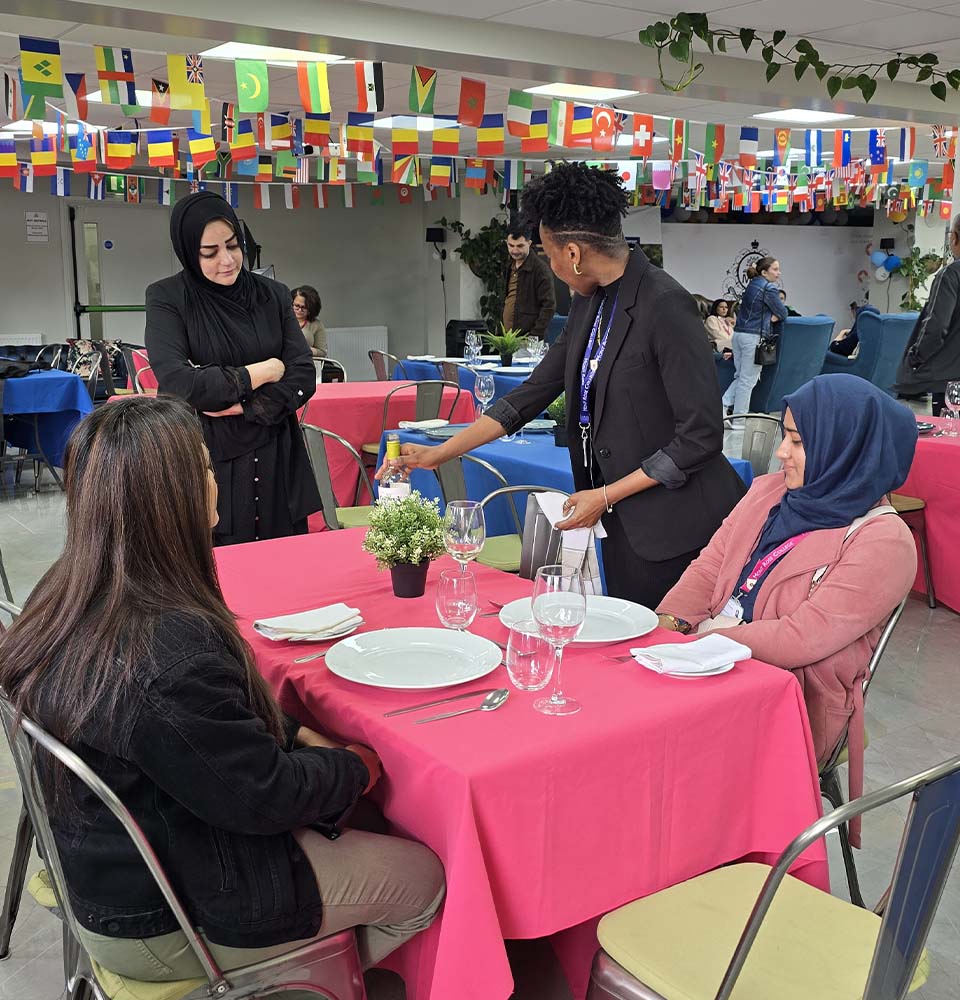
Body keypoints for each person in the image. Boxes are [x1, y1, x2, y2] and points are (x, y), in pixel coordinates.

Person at [0, 396, 445, 983]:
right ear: (175, 495)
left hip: (108, 861)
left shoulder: (69, 590)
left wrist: (295, 731)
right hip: (159, 917)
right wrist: (357, 765)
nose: (216, 481)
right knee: (421, 877)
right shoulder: (166, 647)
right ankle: (296, 982)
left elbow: (207, 731)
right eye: (207, 468)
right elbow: (265, 797)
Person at [384, 163, 746, 607]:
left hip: (679, 526)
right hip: (622, 521)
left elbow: (700, 436)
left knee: (664, 642)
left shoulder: (665, 304)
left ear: (572, 252)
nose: (551, 265)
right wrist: (439, 452)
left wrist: (606, 495)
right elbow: (532, 393)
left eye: (549, 254)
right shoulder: (589, 303)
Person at [657, 374, 917, 837]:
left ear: (845, 448)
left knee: (658, 753)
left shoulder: (884, 541)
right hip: (712, 661)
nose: (780, 453)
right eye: (784, 436)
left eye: (797, 441)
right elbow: (709, 565)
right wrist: (669, 622)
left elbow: (803, 637)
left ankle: (696, 855)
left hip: (789, 699)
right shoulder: (770, 491)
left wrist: (705, 638)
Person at [145, 191, 321, 545]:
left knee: (282, 558)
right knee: (214, 564)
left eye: (233, 245)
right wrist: (264, 372)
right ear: (188, 252)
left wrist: (243, 405)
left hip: (276, 452)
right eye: (209, 252)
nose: (227, 260)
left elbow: (303, 374)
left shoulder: (272, 294)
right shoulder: (168, 298)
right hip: (207, 457)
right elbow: (178, 383)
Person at [895, 215, 960, 416]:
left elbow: (936, 325)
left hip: (948, 379)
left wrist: (916, 357)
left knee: (948, 432)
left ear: (955, 238)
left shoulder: (951, 275)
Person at [722, 257, 788, 417]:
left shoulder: (752, 284)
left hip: (738, 335)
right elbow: (782, 312)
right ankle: (739, 421)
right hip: (753, 337)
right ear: (764, 272)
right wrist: (771, 317)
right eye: (775, 269)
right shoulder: (769, 288)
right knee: (747, 381)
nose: (779, 273)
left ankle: (722, 408)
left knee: (741, 377)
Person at [501, 221, 556, 339]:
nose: (515, 250)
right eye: (511, 245)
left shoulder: (540, 269)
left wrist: (534, 336)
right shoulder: (509, 265)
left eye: (520, 246)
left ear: (529, 243)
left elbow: (548, 306)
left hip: (528, 339)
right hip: (506, 338)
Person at [292, 284, 327, 358]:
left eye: (304, 307)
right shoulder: (283, 320)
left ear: (311, 309)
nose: (299, 310)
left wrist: (306, 350)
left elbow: (322, 352)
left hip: (305, 361)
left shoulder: (316, 325)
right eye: (297, 306)